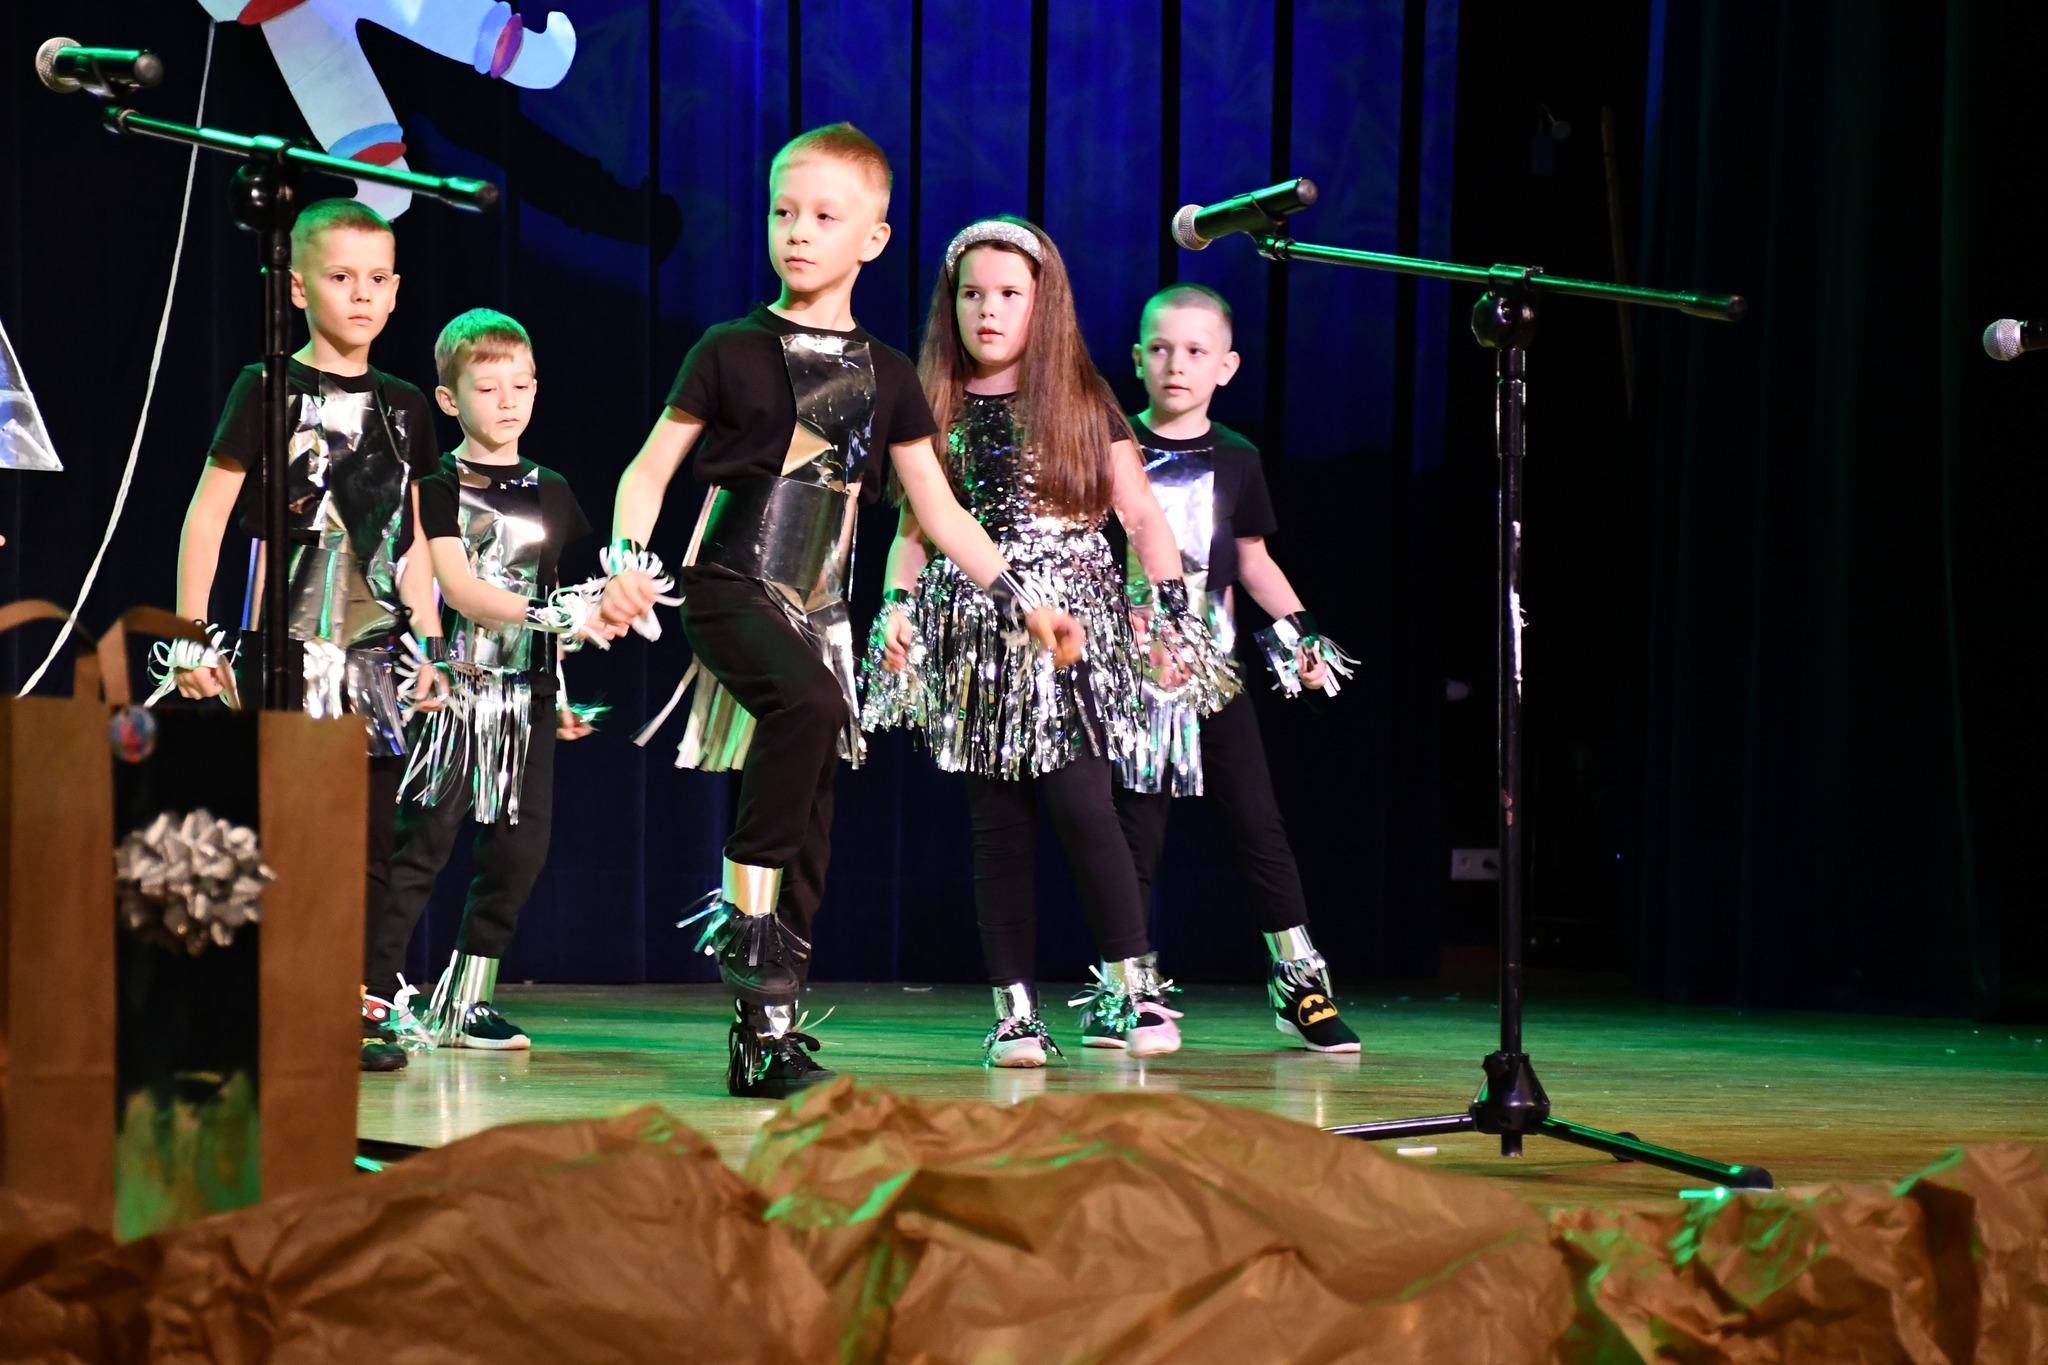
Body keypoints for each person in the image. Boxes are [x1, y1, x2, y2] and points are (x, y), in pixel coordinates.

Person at [597, 126, 1081, 1098]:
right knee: (810, 707)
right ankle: (745, 920)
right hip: (728, 586)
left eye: (824, 216)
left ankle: (765, 1033)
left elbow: (939, 509)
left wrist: (1025, 599)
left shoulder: (888, 373)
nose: (798, 231)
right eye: (784, 211)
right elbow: (647, 472)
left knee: (814, 821)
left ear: (873, 238)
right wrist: (625, 562)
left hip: (817, 612)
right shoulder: (728, 349)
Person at [863, 217, 1235, 1068]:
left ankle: (1132, 987)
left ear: (1044, 305)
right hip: (979, 637)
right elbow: (917, 528)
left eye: (1008, 294)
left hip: (1072, 633)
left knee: (1084, 806)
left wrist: (1169, 608)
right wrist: (897, 606)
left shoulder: (1085, 400)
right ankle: (1016, 1013)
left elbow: (1142, 517)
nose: (988, 310)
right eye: (972, 294)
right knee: (997, 826)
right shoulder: (935, 405)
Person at [162, 197, 447, 1073]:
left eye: (376, 279)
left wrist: (431, 644)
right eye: (340, 276)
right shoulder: (267, 387)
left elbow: (412, 540)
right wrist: (192, 635)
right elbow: (208, 515)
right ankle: (243, 1006)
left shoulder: (406, 405)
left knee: (364, 845)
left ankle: (340, 1003)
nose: (360, 294)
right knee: (275, 832)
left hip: (372, 660)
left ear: (395, 292)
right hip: (281, 652)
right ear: (296, 288)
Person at [1113, 284, 1361, 1053]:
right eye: (1160, 348)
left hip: (1214, 675)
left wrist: (1306, 636)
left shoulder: (1238, 457)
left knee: (1258, 823)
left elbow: (1252, 560)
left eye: (1195, 351)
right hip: (1134, 678)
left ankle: (1300, 982)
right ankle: (1126, 990)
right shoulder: (1111, 445)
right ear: (1137, 358)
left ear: (1226, 365)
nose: (1176, 364)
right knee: (1134, 836)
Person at [363, 308, 612, 1052]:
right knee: (423, 845)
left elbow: (561, 589)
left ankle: (467, 1001)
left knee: (517, 851)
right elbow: (460, 588)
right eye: (488, 387)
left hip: (526, 695)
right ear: (449, 400)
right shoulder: (437, 485)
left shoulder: (553, 488)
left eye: (521, 385)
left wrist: (560, 682)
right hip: (454, 689)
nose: (508, 401)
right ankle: (368, 994)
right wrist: (547, 615)